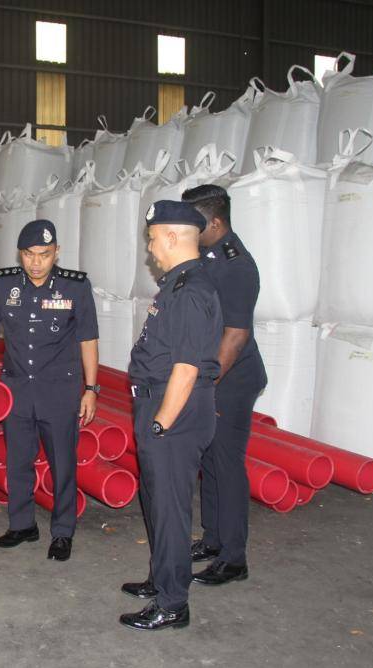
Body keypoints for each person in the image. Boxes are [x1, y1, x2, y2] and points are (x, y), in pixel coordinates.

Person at [119, 200, 222, 631]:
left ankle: (173, 603)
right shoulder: (178, 284)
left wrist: (161, 422)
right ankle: (161, 576)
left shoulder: (193, 290)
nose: (151, 248)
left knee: (172, 509)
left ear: (174, 237)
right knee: (157, 503)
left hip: (173, 411)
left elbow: (187, 366)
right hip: (160, 405)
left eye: (154, 239)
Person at [0, 219, 99, 562]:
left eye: (44, 254)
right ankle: (22, 524)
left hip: (60, 391)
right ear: (21, 254)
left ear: (56, 252)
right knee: (18, 462)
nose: (36, 262)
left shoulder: (75, 288)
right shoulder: (6, 284)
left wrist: (91, 389)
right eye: (29, 254)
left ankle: (62, 532)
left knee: (63, 465)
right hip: (16, 389)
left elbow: (88, 339)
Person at [182, 184, 267, 586]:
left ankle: (234, 558)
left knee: (227, 466)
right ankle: (214, 539)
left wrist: (205, 383)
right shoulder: (207, 255)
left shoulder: (237, 265)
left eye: (193, 223)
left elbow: (235, 335)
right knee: (210, 462)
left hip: (230, 379)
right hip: (213, 375)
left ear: (215, 222)